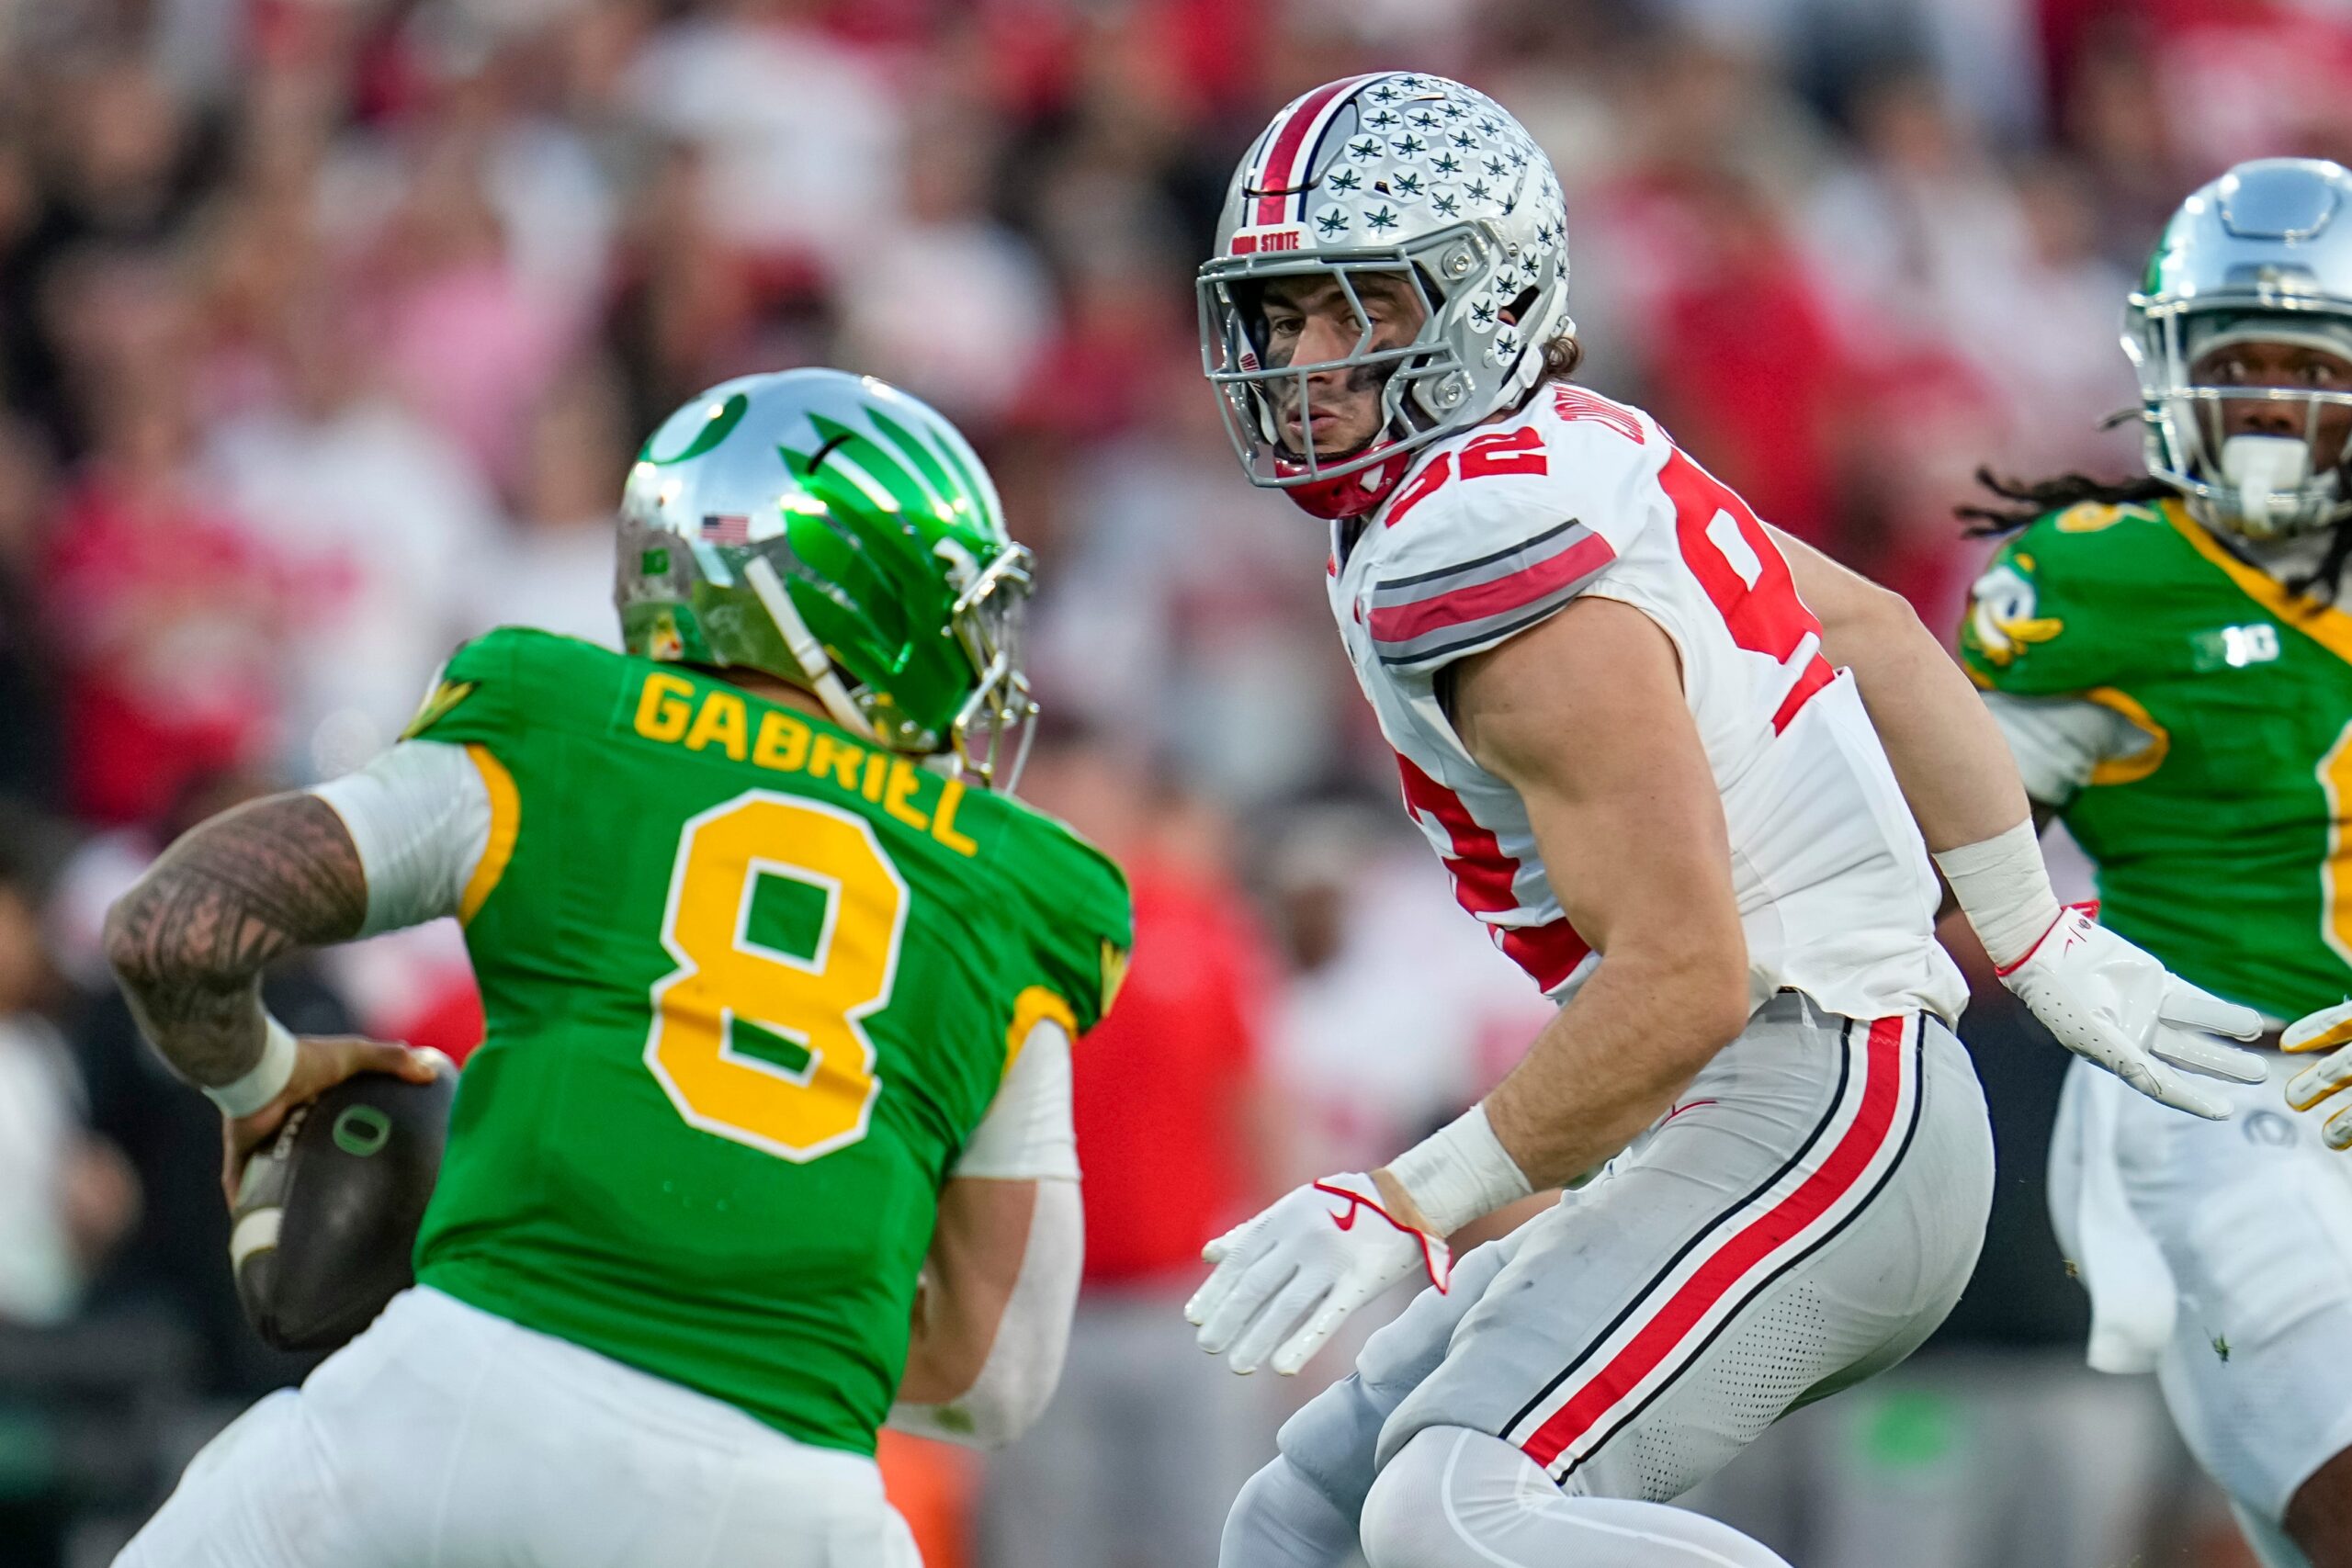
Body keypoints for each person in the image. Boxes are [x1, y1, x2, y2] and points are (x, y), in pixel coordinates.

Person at [1188, 73, 2262, 1568]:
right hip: (1772, 1095)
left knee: (1453, 1511)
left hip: (1814, 1093)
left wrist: (1406, 1197)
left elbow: (1683, 975)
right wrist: (2031, 936)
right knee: (1297, 1522)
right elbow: (1883, 632)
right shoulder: (1573, 453)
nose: (1293, 360)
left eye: (1343, 311)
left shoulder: (1483, 545)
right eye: (1279, 313)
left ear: (1478, 300)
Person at [98, 368, 1132, 1567]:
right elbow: (994, 1378)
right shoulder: (1008, 886)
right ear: (844, 596)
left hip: (460, 1398)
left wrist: (261, 1080)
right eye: (954, 608)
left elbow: (168, 931)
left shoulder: (559, 722)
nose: (976, 657)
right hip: (789, 1499)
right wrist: (758, 1294)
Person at [1959, 157, 2352, 1568]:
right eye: (2233, 361)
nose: (2261, 399)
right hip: (2220, 1103)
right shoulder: (2104, 580)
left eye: (2300, 365)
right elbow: (1941, 866)